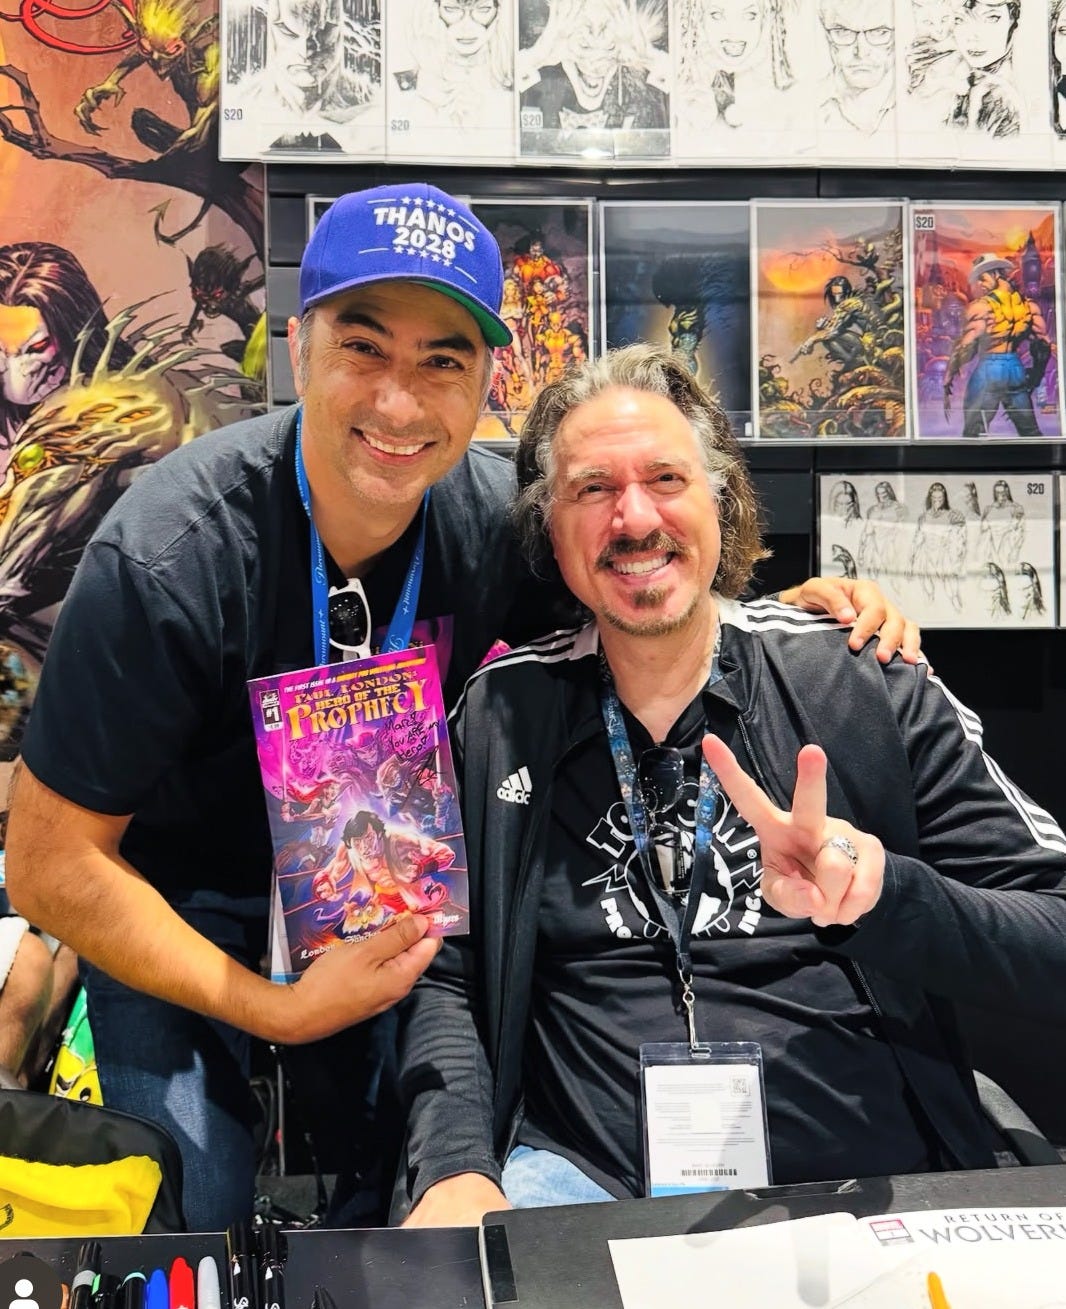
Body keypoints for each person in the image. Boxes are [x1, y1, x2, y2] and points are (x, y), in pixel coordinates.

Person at [5, 184, 916, 1233]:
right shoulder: (171, 553)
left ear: (488, 380)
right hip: (184, 897)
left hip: (386, 891)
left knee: (400, 1194)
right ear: (298, 348)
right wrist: (273, 1010)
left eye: (442, 361)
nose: (401, 404)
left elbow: (644, 587)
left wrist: (782, 608)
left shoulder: (493, 520)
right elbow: (49, 863)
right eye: (364, 348)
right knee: (191, 1213)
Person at [396, 345, 1066, 1226]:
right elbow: (438, 968)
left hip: (867, 1190)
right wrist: (451, 1161)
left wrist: (886, 895)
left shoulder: (862, 680)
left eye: (666, 478)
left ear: (721, 499)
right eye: (593, 488)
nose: (635, 518)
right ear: (549, 531)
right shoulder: (498, 714)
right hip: (583, 1185)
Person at [943, 252, 1051, 438]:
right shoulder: (1028, 306)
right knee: (1030, 432)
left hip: (990, 369)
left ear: (996, 274)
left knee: (973, 432)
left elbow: (965, 346)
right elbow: (1043, 344)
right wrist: (1036, 374)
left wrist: (949, 375)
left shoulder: (981, 307)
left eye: (983, 278)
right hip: (1015, 369)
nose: (980, 284)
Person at [817, 0, 895, 136]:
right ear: (827, 36)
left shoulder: (921, 100)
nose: (861, 52)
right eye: (843, 32)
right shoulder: (805, 103)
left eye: (879, 32)